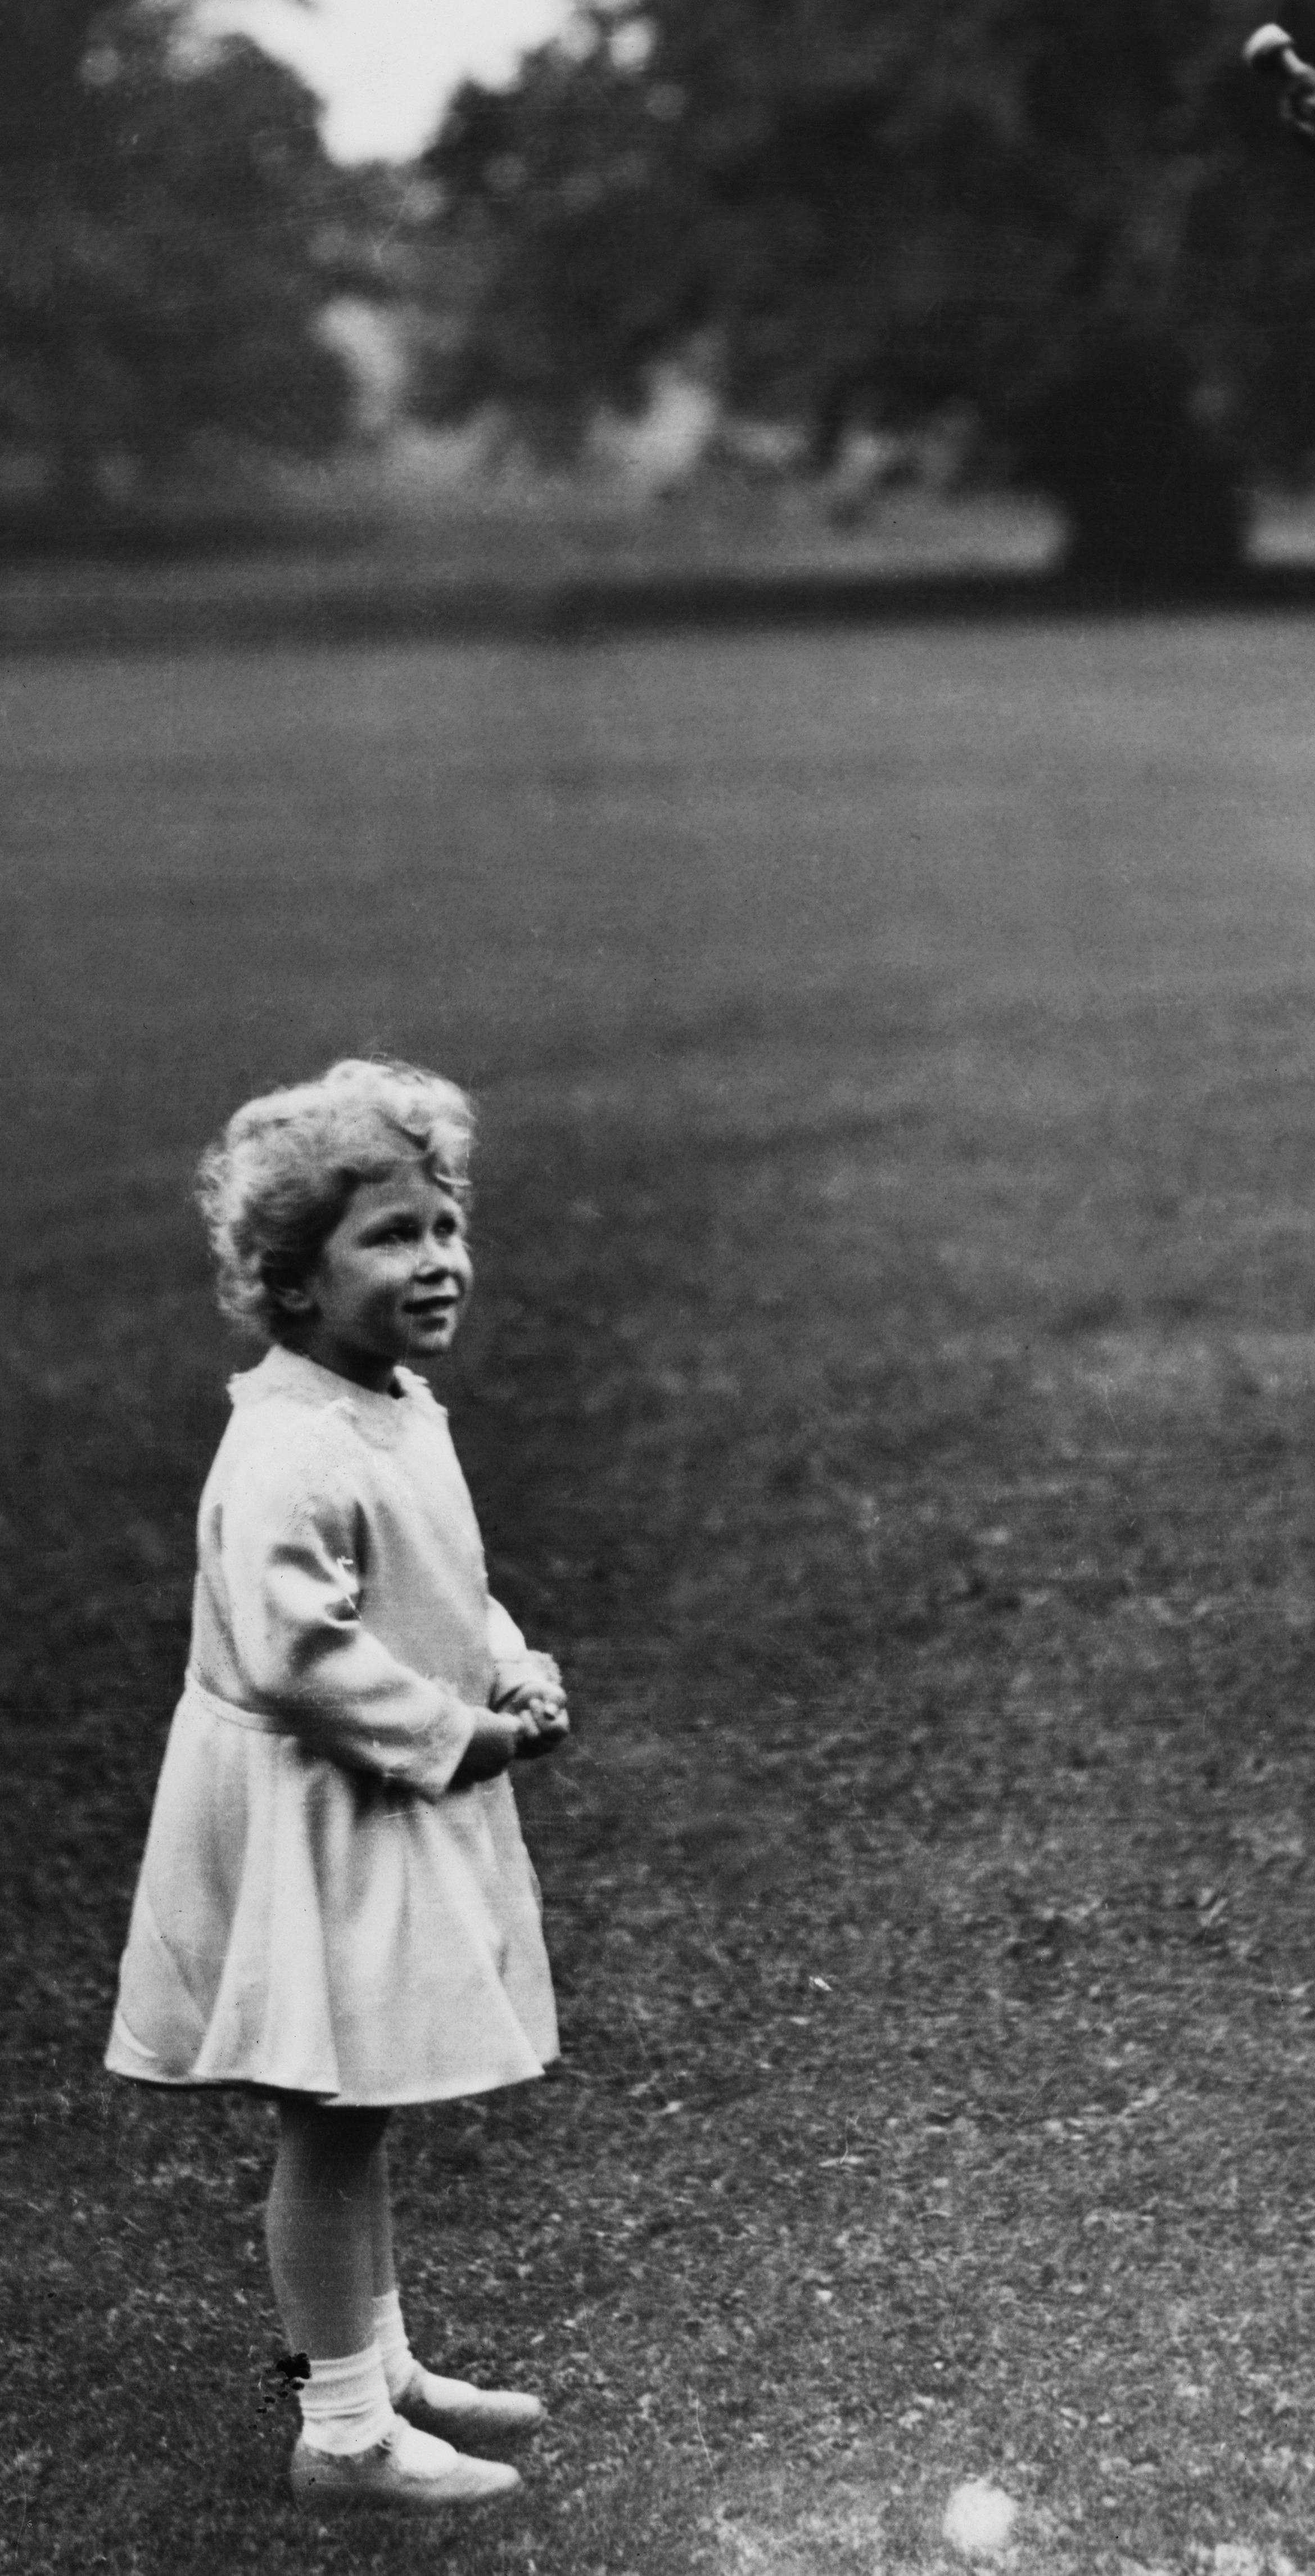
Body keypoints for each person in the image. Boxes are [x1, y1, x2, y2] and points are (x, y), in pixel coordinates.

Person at [105, 1059, 571, 2511]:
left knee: (358, 2107)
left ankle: (378, 2365)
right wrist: (462, 1736)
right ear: (290, 1285)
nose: (436, 1261)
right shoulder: (291, 1446)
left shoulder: (389, 1401)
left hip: (373, 1795)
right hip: (318, 1810)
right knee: (332, 2113)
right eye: (391, 1237)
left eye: (445, 1227)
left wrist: (506, 1658)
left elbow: (439, 1580)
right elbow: (304, 1654)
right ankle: (347, 2431)